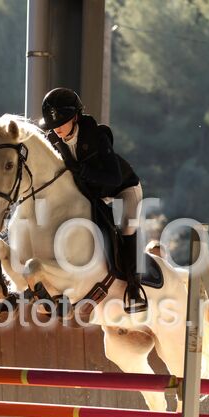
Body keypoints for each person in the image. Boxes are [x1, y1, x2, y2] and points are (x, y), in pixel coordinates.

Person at [39, 87, 147, 314]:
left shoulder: (97, 136)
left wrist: (83, 171)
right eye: (53, 125)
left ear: (75, 117)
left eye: (62, 122)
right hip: (92, 192)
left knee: (126, 227)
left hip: (122, 187)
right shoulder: (53, 140)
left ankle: (134, 288)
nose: (57, 129)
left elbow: (113, 177)